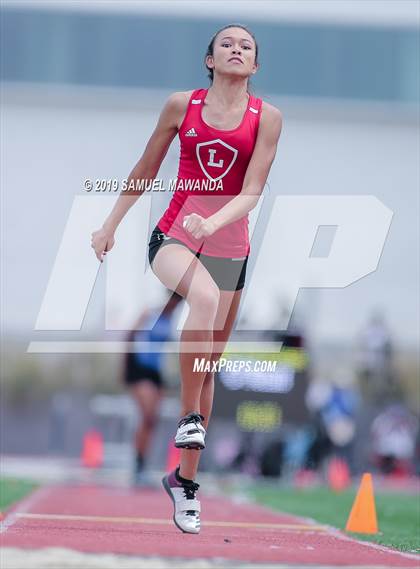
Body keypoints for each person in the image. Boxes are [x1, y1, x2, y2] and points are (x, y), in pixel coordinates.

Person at [91, 23, 282, 534]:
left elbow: (253, 190)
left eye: (247, 46)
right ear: (210, 60)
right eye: (227, 44)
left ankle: (185, 483)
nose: (237, 49)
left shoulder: (268, 118)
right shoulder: (182, 106)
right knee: (200, 296)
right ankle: (186, 416)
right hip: (175, 236)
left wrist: (216, 222)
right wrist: (110, 224)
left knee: (208, 366)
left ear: (255, 66)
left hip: (230, 246)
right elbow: (144, 167)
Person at [122, 291, 183, 486]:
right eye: (173, 300)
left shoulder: (171, 321)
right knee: (147, 415)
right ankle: (137, 465)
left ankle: (141, 465)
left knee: (152, 420)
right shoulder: (149, 313)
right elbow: (130, 335)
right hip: (139, 368)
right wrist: (125, 366)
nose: (174, 305)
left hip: (156, 372)